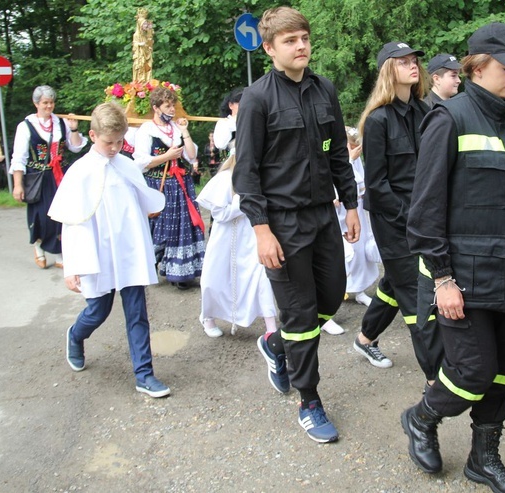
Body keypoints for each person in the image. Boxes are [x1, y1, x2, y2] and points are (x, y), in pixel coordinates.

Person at [403, 23, 505, 492]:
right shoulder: (448, 119)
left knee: (504, 376)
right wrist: (442, 280)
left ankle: (483, 459)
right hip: (464, 280)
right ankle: (420, 417)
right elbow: (424, 212)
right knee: (473, 372)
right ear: (476, 67)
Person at [232, 6, 360, 444]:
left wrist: (352, 205)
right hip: (282, 223)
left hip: (323, 215)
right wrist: (261, 229)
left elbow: (337, 153)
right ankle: (309, 400)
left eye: (304, 37)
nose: (301, 45)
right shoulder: (257, 99)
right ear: (269, 49)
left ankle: (277, 346)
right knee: (301, 313)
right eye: (290, 40)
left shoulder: (324, 90)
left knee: (330, 297)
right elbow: (245, 171)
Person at [48, 102, 169, 398]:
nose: (115, 148)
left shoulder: (126, 165)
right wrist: (72, 266)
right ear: (92, 135)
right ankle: (76, 335)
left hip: (128, 252)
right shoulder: (81, 172)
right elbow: (72, 222)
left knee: (137, 313)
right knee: (98, 311)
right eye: (108, 142)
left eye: (119, 142)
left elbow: (139, 202)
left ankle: (144, 374)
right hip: (97, 253)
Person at [353, 40, 443, 387]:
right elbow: (377, 185)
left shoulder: (425, 110)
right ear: (389, 70)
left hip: (426, 215)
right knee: (418, 297)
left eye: (414, 61)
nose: (413, 66)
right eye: (403, 61)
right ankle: (437, 381)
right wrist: (412, 217)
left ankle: (365, 339)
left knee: (396, 282)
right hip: (396, 220)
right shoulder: (377, 120)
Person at [197, 155, 277, 338]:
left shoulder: (262, 177)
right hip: (226, 240)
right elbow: (220, 214)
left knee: (261, 278)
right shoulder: (225, 178)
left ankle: (271, 324)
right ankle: (208, 316)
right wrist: (243, 202)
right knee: (215, 279)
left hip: (252, 237)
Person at [133, 86, 205, 290]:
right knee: (160, 228)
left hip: (181, 185)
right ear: (156, 108)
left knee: (183, 227)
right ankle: (153, 264)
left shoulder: (176, 129)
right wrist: (166, 157)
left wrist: (184, 132)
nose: (172, 109)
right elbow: (140, 163)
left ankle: (181, 272)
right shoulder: (147, 130)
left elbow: (191, 157)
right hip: (157, 185)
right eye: (167, 105)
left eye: (173, 105)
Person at [10, 85, 87, 269]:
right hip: (37, 177)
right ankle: (39, 248)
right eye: (45, 102)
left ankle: (60, 252)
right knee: (40, 215)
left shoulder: (61, 123)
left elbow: (75, 147)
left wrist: (74, 129)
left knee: (61, 214)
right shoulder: (26, 126)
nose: (49, 106)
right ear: (36, 103)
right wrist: (18, 185)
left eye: (51, 102)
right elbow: (19, 157)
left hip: (59, 175)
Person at [321, 126, 380, 336]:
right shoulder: (332, 158)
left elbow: (359, 183)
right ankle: (327, 312)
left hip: (355, 213)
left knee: (360, 254)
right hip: (336, 216)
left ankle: (359, 290)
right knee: (339, 260)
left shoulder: (354, 159)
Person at [214, 88, 242, 158]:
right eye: (240, 103)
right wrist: (233, 123)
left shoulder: (253, 121)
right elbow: (220, 144)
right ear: (231, 105)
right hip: (232, 162)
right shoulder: (224, 123)